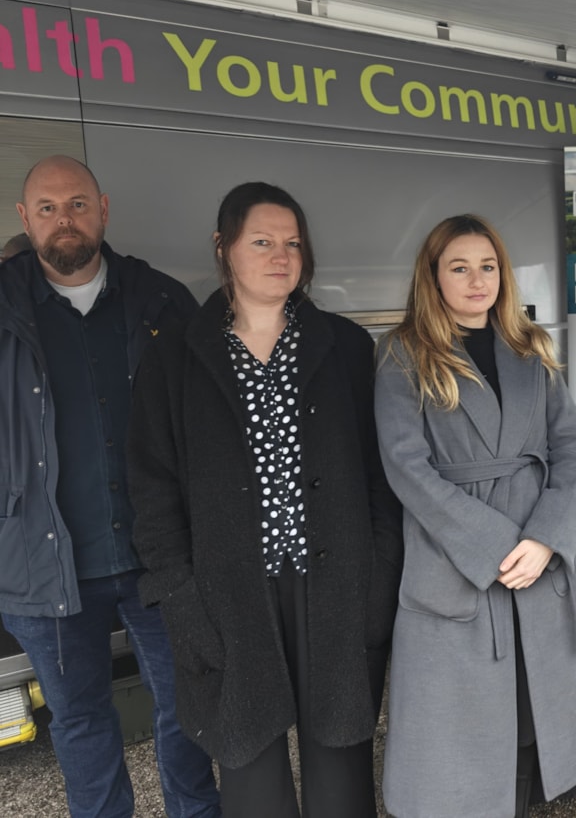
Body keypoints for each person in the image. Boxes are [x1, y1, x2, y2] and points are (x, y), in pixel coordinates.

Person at [126, 182, 403, 817]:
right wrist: (182, 600)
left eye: (292, 243)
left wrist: (379, 577)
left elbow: (381, 479)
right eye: (262, 242)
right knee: (251, 775)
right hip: (229, 595)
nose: (281, 256)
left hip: (334, 588)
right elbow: (154, 495)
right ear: (222, 247)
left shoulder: (345, 348)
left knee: (342, 776)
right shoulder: (173, 360)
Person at [0, 155, 218, 817]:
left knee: (187, 708)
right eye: (47, 207)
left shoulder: (160, 301)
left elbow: (207, 421)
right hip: (44, 569)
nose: (63, 220)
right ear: (24, 218)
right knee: (79, 721)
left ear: (103, 208)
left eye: (76, 204)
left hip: (160, 555)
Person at [375, 214, 576, 818]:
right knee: (462, 740)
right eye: (460, 267)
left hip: (541, 558)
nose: (477, 280)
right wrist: (497, 546)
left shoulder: (531, 346)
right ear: (434, 276)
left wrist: (545, 540)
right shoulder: (404, 353)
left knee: (533, 723)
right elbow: (408, 470)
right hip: (460, 562)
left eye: (488, 267)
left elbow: (573, 450)